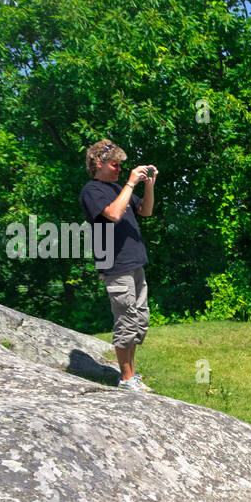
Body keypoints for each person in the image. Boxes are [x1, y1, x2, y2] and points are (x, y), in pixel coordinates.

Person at [79, 139, 157, 392]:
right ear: (98, 163)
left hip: (135, 262)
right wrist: (131, 182)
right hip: (115, 264)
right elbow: (113, 214)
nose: (120, 170)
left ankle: (132, 375)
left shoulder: (117, 188)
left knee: (139, 320)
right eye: (115, 165)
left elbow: (145, 211)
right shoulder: (92, 191)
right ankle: (126, 378)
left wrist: (148, 186)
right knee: (125, 320)